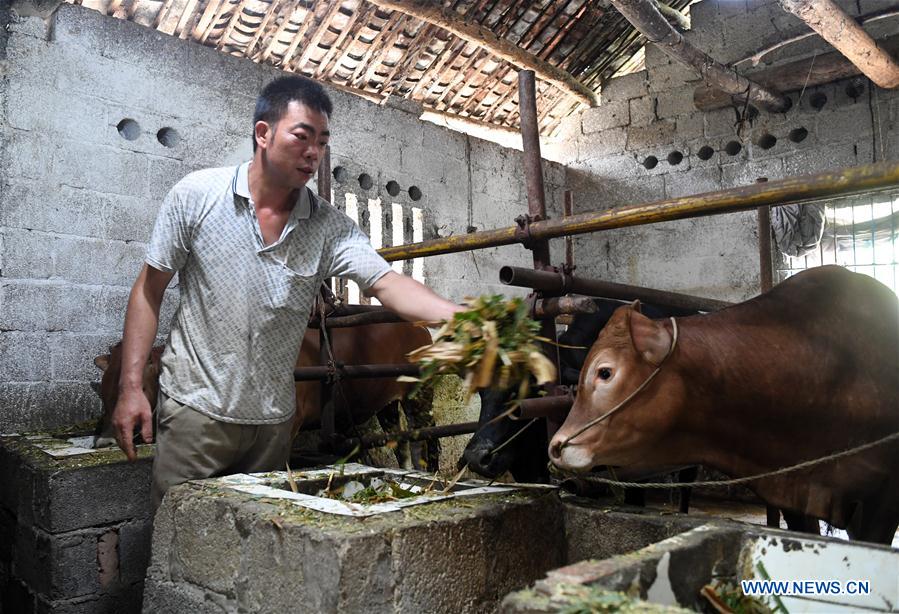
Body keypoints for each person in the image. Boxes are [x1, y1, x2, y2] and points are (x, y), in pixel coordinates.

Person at [112, 75, 461, 509]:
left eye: (323, 141)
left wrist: (458, 317)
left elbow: (386, 282)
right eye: (303, 136)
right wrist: (131, 387)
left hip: (273, 427)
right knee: (176, 546)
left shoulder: (329, 227)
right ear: (263, 133)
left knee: (259, 554)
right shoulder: (196, 196)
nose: (314, 153)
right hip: (194, 417)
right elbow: (148, 292)